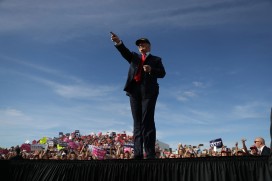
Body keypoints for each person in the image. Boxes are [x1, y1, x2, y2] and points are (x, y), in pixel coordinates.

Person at [111, 32, 166, 159]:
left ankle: (150, 153)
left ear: (149, 47)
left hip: (149, 92)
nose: (141, 46)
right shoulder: (134, 57)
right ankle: (138, 153)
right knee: (137, 122)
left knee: (147, 121)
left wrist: (151, 70)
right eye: (139, 45)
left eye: (143, 44)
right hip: (134, 92)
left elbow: (162, 73)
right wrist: (118, 42)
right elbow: (124, 52)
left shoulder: (156, 59)